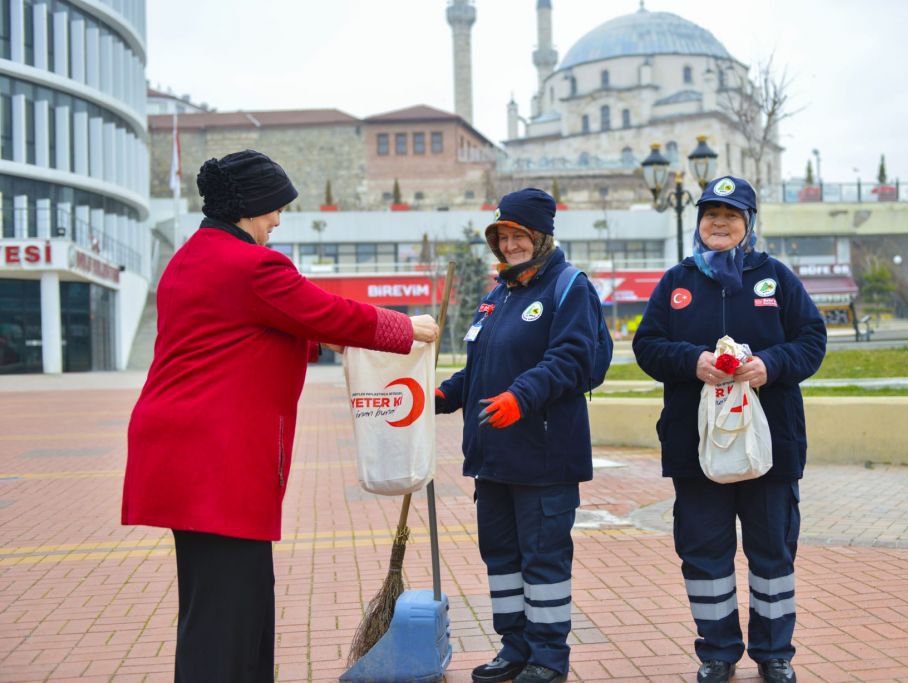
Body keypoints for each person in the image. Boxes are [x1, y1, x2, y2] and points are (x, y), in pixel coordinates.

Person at [121, 149, 438, 683]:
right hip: (215, 459)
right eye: (276, 208)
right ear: (253, 205)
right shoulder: (253, 265)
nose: (278, 219)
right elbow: (323, 310)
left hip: (181, 453)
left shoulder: (193, 256)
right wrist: (408, 329)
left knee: (215, 603)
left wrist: (320, 341)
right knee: (230, 609)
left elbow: (259, 326)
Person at [633, 176, 826, 683]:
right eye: (710, 214)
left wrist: (771, 365)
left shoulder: (776, 278)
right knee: (703, 552)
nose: (719, 223)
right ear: (699, 223)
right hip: (695, 448)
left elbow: (812, 340)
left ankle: (774, 653)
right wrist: (691, 360)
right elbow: (646, 346)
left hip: (771, 446)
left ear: (749, 224)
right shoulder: (677, 281)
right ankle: (716, 653)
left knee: (772, 552)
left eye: (731, 215)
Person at [435, 188, 604, 683]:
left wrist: (521, 396)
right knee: (503, 558)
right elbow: (480, 368)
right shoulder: (498, 295)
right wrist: (443, 396)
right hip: (494, 455)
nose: (510, 246)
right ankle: (515, 647)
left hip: (544, 454)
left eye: (519, 236)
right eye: (502, 237)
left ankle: (548, 658)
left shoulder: (569, 288)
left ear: (541, 236)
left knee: (543, 559)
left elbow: (571, 359)